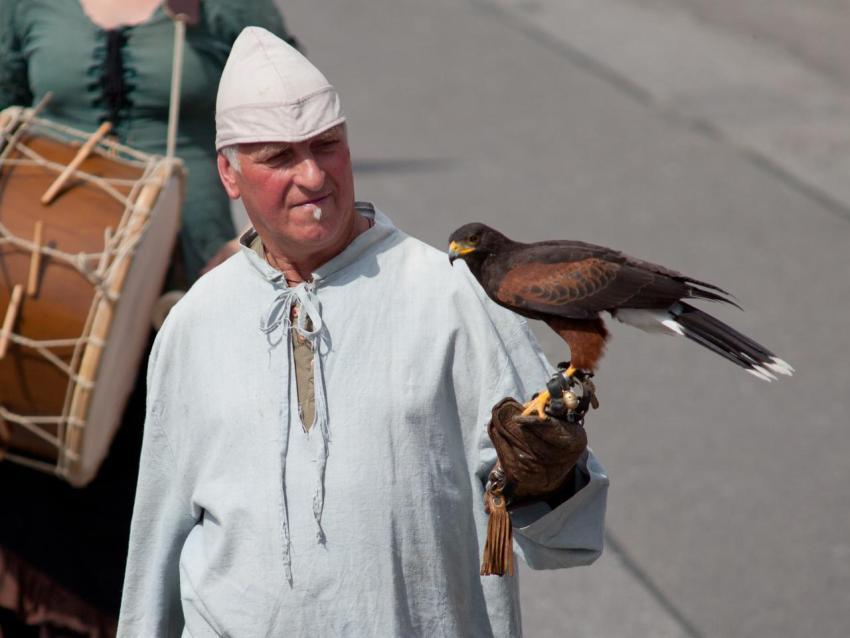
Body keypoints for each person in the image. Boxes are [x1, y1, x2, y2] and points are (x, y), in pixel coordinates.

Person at [118, 27, 609, 637]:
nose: (312, 175)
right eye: (277, 158)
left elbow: (563, 532)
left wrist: (550, 477)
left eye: (327, 145)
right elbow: (157, 538)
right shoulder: (195, 324)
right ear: (229, 172)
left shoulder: (451, 296)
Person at [0, 3, 298, 636]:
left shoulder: (226, 7)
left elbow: (293, 133)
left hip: (193, 286)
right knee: (39, 497)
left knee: (163, 492)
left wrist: (254, 243)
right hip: (51, 292)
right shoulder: (26, 6)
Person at [0, 0, 297, 283]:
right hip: (44, 258)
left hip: (192, 256)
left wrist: (255, 238)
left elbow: (297, 122)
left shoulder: (230, 8)